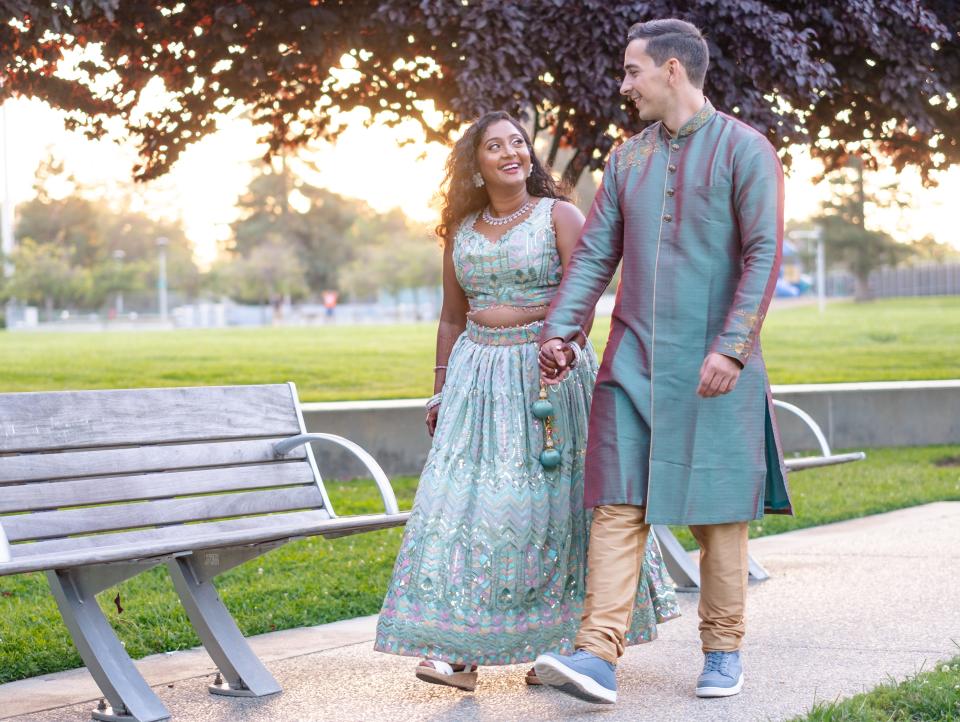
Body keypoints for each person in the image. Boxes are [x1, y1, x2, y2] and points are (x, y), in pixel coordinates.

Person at [533, 18, 792, 705]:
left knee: (718, 516)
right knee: (618, 507)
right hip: (635, 362)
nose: (625, 86)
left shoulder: (745, 150)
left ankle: (723, 650)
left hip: (716, 368)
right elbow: (593, 255)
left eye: (632, 71)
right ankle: (596, 656)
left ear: (672, 71)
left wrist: (733, 348)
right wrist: (562, 331)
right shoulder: (627, 160)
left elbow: (764, 252)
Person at [374, 111, 679, 691]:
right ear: (476, 162)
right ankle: (458, 650)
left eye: (519, 142)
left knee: (552, 508)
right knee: (463, 507)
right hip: (476, 377)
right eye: (495, 145)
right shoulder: (460, 228)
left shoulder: (558, 214)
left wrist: (564, 344)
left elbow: (586, 288)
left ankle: (561, 647)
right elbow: (450, 315)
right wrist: (439, 386)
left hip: (548, 374)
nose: (511, 152)